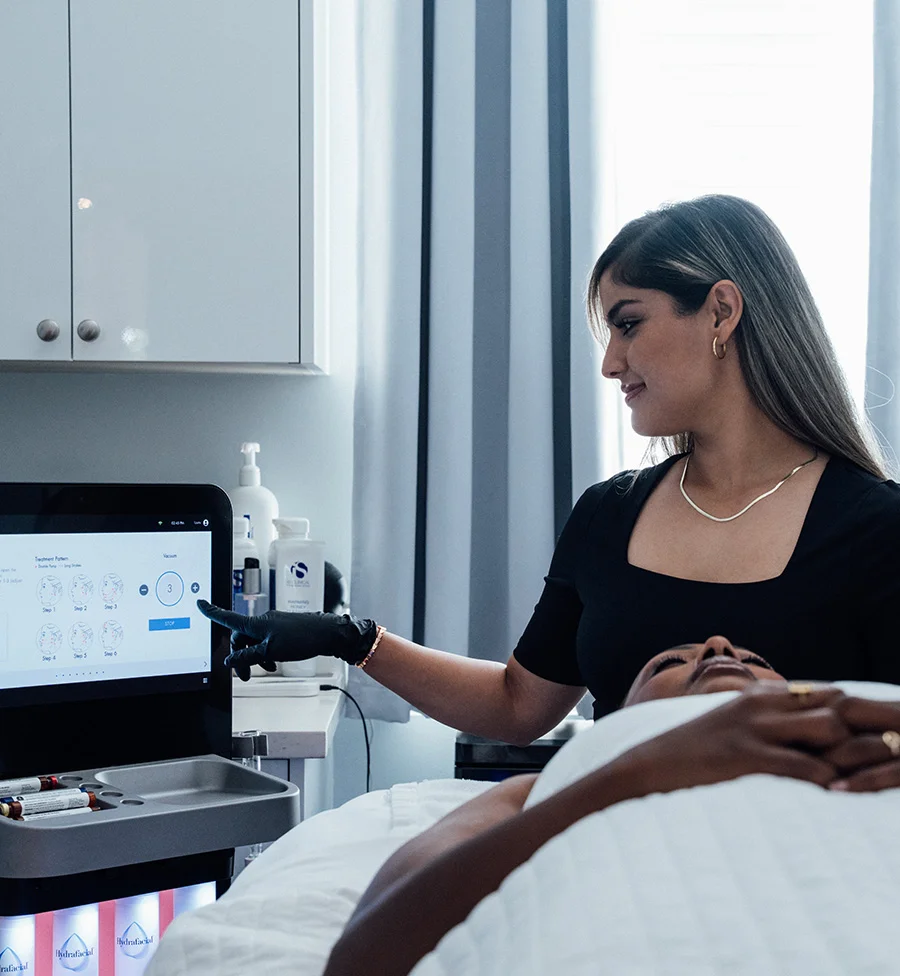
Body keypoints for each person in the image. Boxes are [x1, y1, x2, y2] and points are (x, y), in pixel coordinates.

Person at [199, 194, 900, 738]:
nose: (609, 363)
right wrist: (351, 639)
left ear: (721, 312)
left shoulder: (876, 530)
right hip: (617, 867)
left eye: (628, 324)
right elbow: (518, 703)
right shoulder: (609, 515)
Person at [322, 639, 900, 976]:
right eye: (669, 663)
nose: (720, 648)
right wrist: (637, 770)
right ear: (621, 721)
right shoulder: (555, 783)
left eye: (753, 658)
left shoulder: (869, 724)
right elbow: (360, 960)